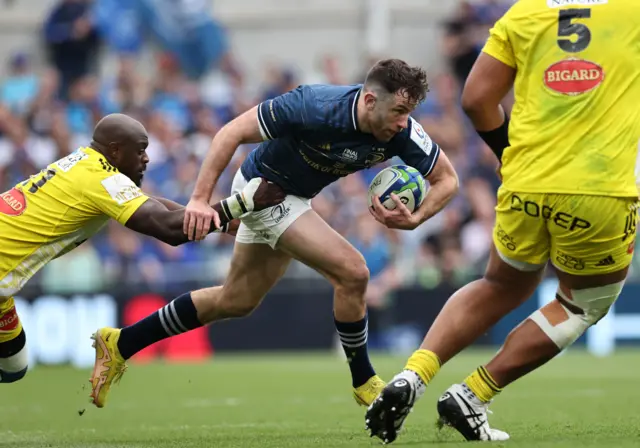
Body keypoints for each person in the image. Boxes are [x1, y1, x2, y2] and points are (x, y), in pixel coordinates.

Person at [90, 59, 459, 409]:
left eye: (408, 113)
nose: (403, 123)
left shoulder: (401, 132)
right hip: (264, 189)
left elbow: (447, 180)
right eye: (398, 112)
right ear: (369, 100)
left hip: (295, 198)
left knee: (236, 300)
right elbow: (230, 132)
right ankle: (364, 381)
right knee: (354, 271)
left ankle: (121, 342)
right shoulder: (312, 105)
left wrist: (417, 218)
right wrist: (201, 199)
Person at [365, 0, 640, 443]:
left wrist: (507, 153)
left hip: (524, 183)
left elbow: (476, 99)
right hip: (598, 188)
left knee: (500, 286)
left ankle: (413, 375)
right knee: (582, 302)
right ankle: (474, 393)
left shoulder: (523, 14)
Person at [0, 113, 284, 386]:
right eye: (140, 151)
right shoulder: (100, 180)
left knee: (14, 366)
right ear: (115, 150)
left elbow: (152, 203)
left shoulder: (87, 164)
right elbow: (170, 230)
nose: (147, 158)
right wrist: (243, 202)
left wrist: (223, 222)